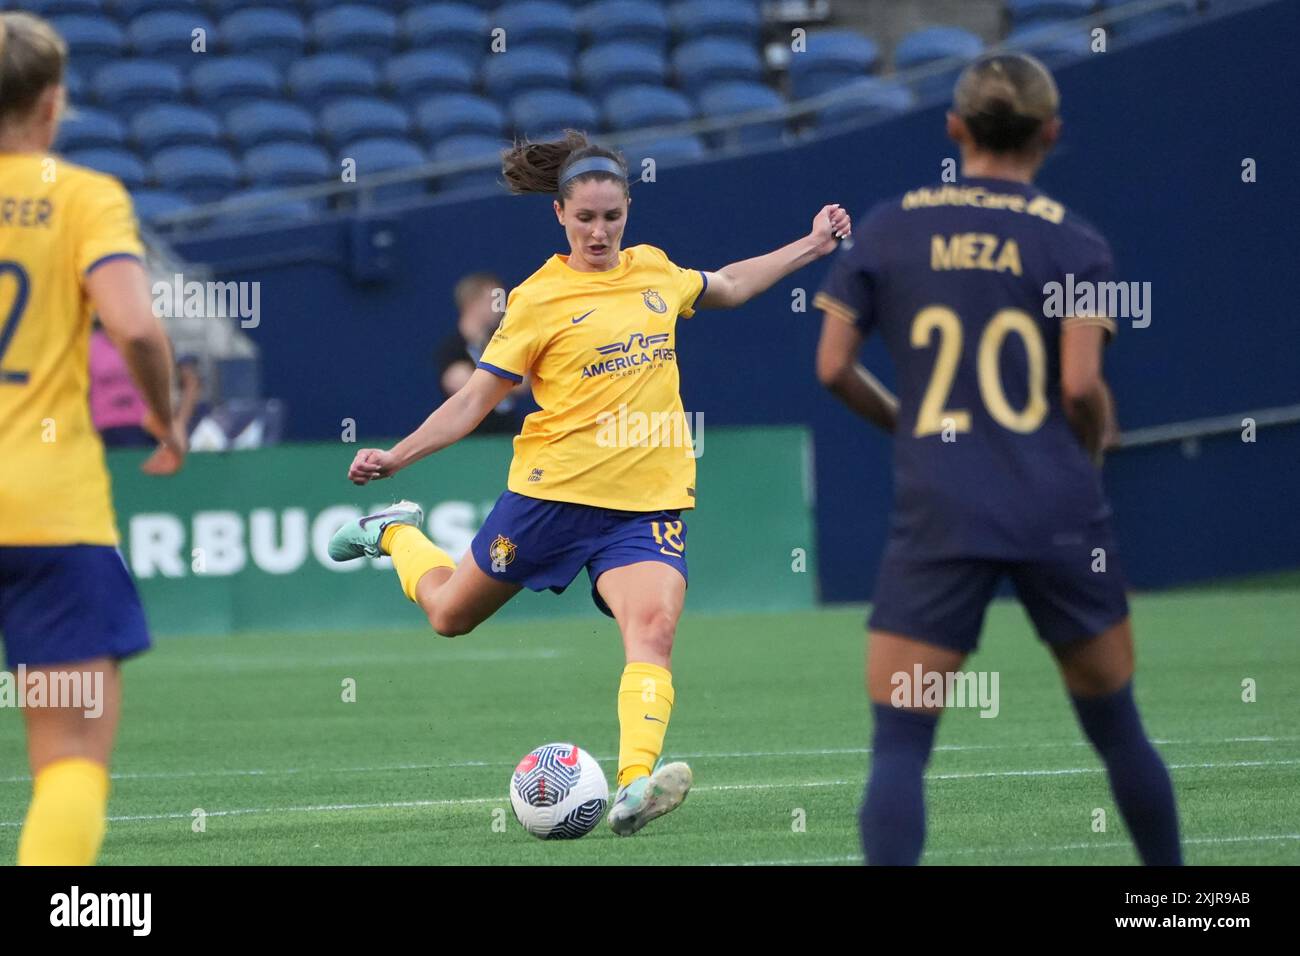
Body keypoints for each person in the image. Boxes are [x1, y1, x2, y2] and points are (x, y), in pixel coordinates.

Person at [329, 129, 851, 836]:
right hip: (552, 499)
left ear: (628, 209)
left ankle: (635, 785)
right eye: (585, 218)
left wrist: (811, 246)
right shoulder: (537, 300)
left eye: (612, 216)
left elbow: (727, 285)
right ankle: (391, 530)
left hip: (643, 507)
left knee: (654, 628)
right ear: (560, 216)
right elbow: (475, 401)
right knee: (450, 615)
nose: (600, 231)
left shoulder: (654, 271)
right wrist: (399, 455)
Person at [813, 53, 1180, 865]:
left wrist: (908, 424)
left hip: (942, 504)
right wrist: (1095, 436)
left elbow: (833, 367)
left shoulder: (891, 226)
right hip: (1055, 502)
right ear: (1051, 133)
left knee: (902, 745)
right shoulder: (1075, 241)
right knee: (1119, 729)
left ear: (953, 128)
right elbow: (1081, 385)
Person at [0, 12, 186, 865]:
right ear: (54, 102)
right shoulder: (80, 195)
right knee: (69, 757)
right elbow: (136, 329)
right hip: (47, 515)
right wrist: (164, 414)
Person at [433, 271, 526, 435]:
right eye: (494, 300)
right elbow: (464, 386)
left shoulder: (501, 342)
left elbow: (524, 381)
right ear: (472, 303)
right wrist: (508, 379)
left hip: (507, 434)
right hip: (471, 439)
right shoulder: (452, 348)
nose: (501, 306)